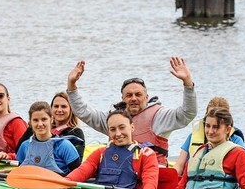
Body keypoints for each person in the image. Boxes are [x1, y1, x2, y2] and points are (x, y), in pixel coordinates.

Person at [67, 57, 196, 168]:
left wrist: (188, 83)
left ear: (146, 97)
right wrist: (72, 85)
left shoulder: (160, 116)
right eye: (129, 95)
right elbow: (83, 111)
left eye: (138, 94)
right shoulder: (113, 119)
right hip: (119, 175)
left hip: (152, 174)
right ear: (123, 99)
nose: (133, 98)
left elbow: (188, 113)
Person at [170, 107, 245, 189]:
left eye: (216, 127)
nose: (210, 131)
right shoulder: (198, 152)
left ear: (228, 129)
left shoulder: (238, 153)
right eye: (207, 126)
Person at [66, 110, 159, 189]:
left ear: (132, 127)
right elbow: (81, 172)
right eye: (113, 129)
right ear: (109, 132)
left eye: (122, 127)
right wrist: (65, 182)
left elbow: (150, 184)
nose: (118, 134)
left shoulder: (146, 154)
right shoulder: (100, 153)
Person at [175, 96, 245, 176]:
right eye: (211, 114)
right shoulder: (193, 137)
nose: (214, 118)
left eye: (219, 116)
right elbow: (179, 166)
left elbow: (243, 169)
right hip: (194, 180)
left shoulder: (236, 141)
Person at [16, 101, 81, 176]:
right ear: (30, 122)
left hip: (58, 183)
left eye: (44, 119)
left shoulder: (65, 146)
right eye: (35, 120)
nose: (40, 124)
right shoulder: (24, 146)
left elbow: (78, 175)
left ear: (51, 119)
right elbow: (20, 173)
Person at [16, 92, 86, 159]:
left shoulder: (76, 133)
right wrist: (31, 127)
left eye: (64, 106)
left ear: (71, 109)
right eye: (56, 106)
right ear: (51, 109)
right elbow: (19, 151)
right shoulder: (38, 127)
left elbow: (77, 161)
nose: (59, 110)